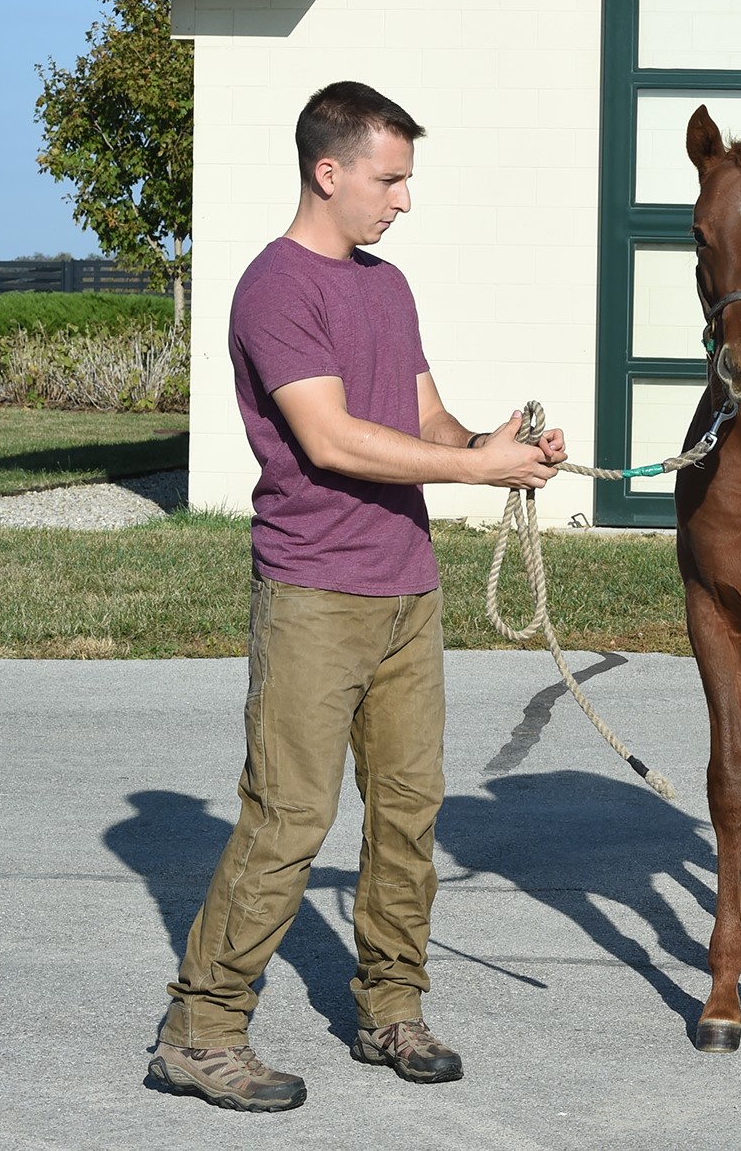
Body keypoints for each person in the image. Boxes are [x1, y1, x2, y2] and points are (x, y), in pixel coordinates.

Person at [148, 80, 566, 1113]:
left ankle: (391, 1010)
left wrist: (490, 447)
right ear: (328, 171)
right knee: (288, 819)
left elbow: (421, 414)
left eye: (407, 178)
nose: (404, 200)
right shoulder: (272, 289)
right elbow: (330, 439)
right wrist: (473, 473)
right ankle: (199, 1034)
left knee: (408, 815)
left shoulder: (385, 286)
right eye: (390, 178)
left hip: (405, 589)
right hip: (313, 595)